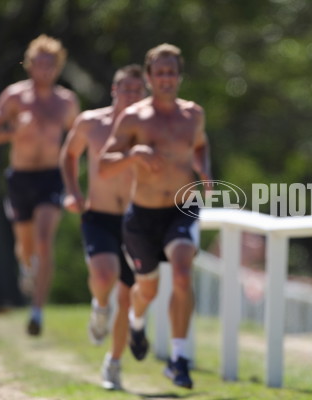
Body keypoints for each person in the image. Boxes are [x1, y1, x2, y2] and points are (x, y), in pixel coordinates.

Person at [98, 43, 212, 390]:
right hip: (142, 215)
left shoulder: (193, 114)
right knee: (146, 289)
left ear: (180, 76)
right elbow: (104, 165)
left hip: (182, 206)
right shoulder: (134, 118)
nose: (166, 79)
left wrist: (204, 171)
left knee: (181, 273)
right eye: (159, 73)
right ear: (148, 78)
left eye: (172, 72)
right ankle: (136, 321)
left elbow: (200, 144)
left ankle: (179, 359)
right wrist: (134, 153)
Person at [0, 34, 80, 336]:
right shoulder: (14, 96)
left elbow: (78, 140)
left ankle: (37, 310)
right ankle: (26, 265)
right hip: (20, 177)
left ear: (58, 67)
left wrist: (76, 181)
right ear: (30, 65)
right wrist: (12, 129)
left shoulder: (66, 101)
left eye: (50, 64)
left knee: (46, 239)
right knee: (26, 245)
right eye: (39, 63)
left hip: (51, 176)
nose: (44, 69)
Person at [59, 64, 146, 390]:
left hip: (137, 219)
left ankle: (114, 363)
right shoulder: (91, 123)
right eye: (126, 89)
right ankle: (99, 307)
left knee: (127, 297)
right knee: (104, 275)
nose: (131, 96)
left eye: (138, 91)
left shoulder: (150, 127)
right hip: (99, 215)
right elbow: (69, 155)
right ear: (114, 90)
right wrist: (72, 191)